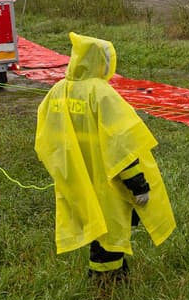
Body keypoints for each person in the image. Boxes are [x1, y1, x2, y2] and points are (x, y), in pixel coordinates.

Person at [35, 33, 175, 280]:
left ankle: (110, 275)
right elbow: (122, 144)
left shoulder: (57, 91)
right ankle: (107, 285)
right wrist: (137, 183)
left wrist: (64, 168)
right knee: (111, 229)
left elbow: (46, 136)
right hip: (107, 177)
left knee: (94, 223)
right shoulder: (102, 93)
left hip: (76, 175)